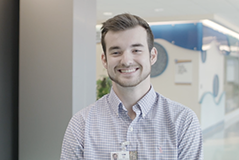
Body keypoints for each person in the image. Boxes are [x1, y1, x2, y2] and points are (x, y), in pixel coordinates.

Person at [60, 13, 203, 159]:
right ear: (105, 60)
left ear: (152, 56)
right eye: (116, 52)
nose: (126, 61)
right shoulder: (81, 125)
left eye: (136, 50)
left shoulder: (182, 122)